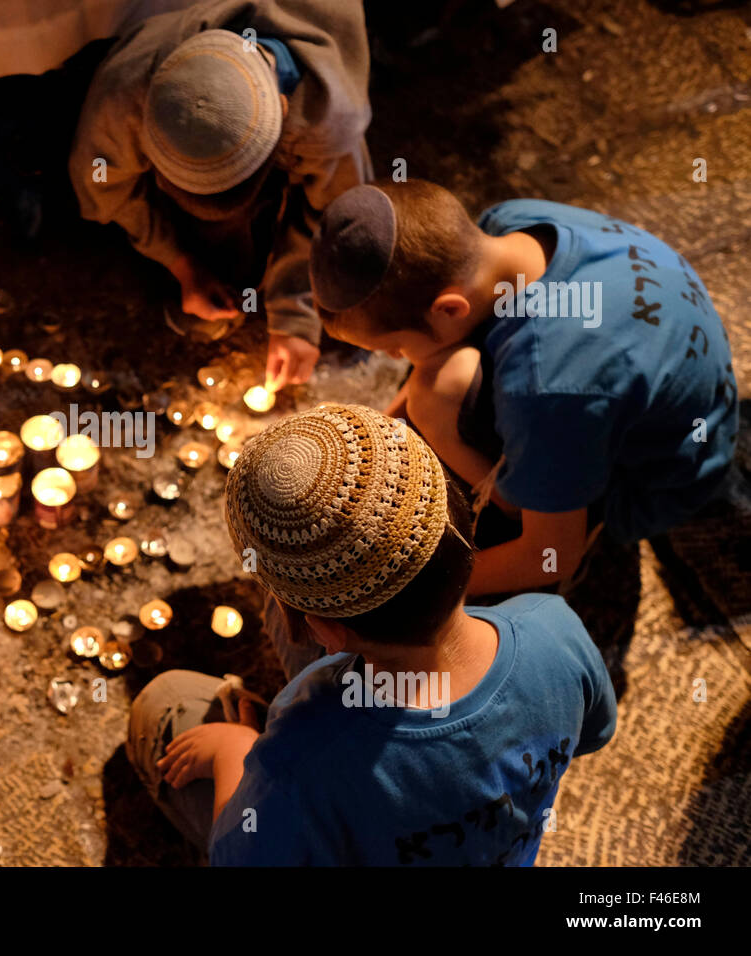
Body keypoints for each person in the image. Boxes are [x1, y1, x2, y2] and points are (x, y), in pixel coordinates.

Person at [127, 404, 617, 865]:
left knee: (167, 700)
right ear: (465, 530)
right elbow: (593, 732)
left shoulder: (299, 758)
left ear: (324, 631)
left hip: (324, 769)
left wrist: (233, 748)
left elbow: (238, 858)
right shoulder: (553, 625)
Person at [308, 181, 737, 595]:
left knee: (439, 390)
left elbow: (549, 553)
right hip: (656, 383)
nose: (397, 358)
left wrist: (410, 591)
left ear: (449, 308)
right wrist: (387, 430)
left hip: (660, 477)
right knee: (435, 382)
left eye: (394, 347)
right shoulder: (512, 222)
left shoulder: (549, 385)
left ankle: (579, 519)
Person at [70, 0, 372, 389]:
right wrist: (181, 264)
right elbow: (99, 183)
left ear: (281, 113)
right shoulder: (127, 88)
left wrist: (294, 314)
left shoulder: (329, 119)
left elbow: (332, 217)